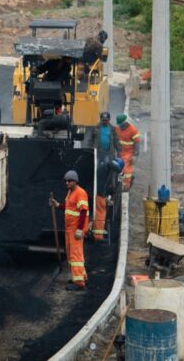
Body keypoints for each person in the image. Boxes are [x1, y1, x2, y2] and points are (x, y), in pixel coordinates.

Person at [50, 170, 89, 291]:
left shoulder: (80, 193)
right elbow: (69, 207)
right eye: (66, 181)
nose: (67, 183)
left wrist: (79, 229)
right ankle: (80, 276)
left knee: (75, 255)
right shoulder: (70, 192)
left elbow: (83, 211)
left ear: (75, 181)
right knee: (72, 254)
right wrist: (58, 205)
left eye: (69, 181)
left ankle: (79, 283)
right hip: (69, 229)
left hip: (75, 229)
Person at [93, 112, 119, 241]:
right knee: (99, 171)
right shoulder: (96, 128)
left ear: (109, 120)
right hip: (99, 153)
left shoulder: (113, 129)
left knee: (109, 171)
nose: (104, 121)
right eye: (103, 120)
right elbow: (92, 141)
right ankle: (100, 187)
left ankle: (110, 187)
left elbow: (117, 142)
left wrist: (118, 152)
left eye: (106, 120)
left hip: (109, 154)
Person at [115, 113, 141, 191]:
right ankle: (120, 184)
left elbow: (137, 143)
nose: (120, 126)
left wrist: (135, 155)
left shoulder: (133, 130)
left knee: (125, 169)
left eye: (121, 124)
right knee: (118, 168)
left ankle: (126, 185)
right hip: (120, 152)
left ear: (125, 122)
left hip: (129, 153)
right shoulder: (117, 128)